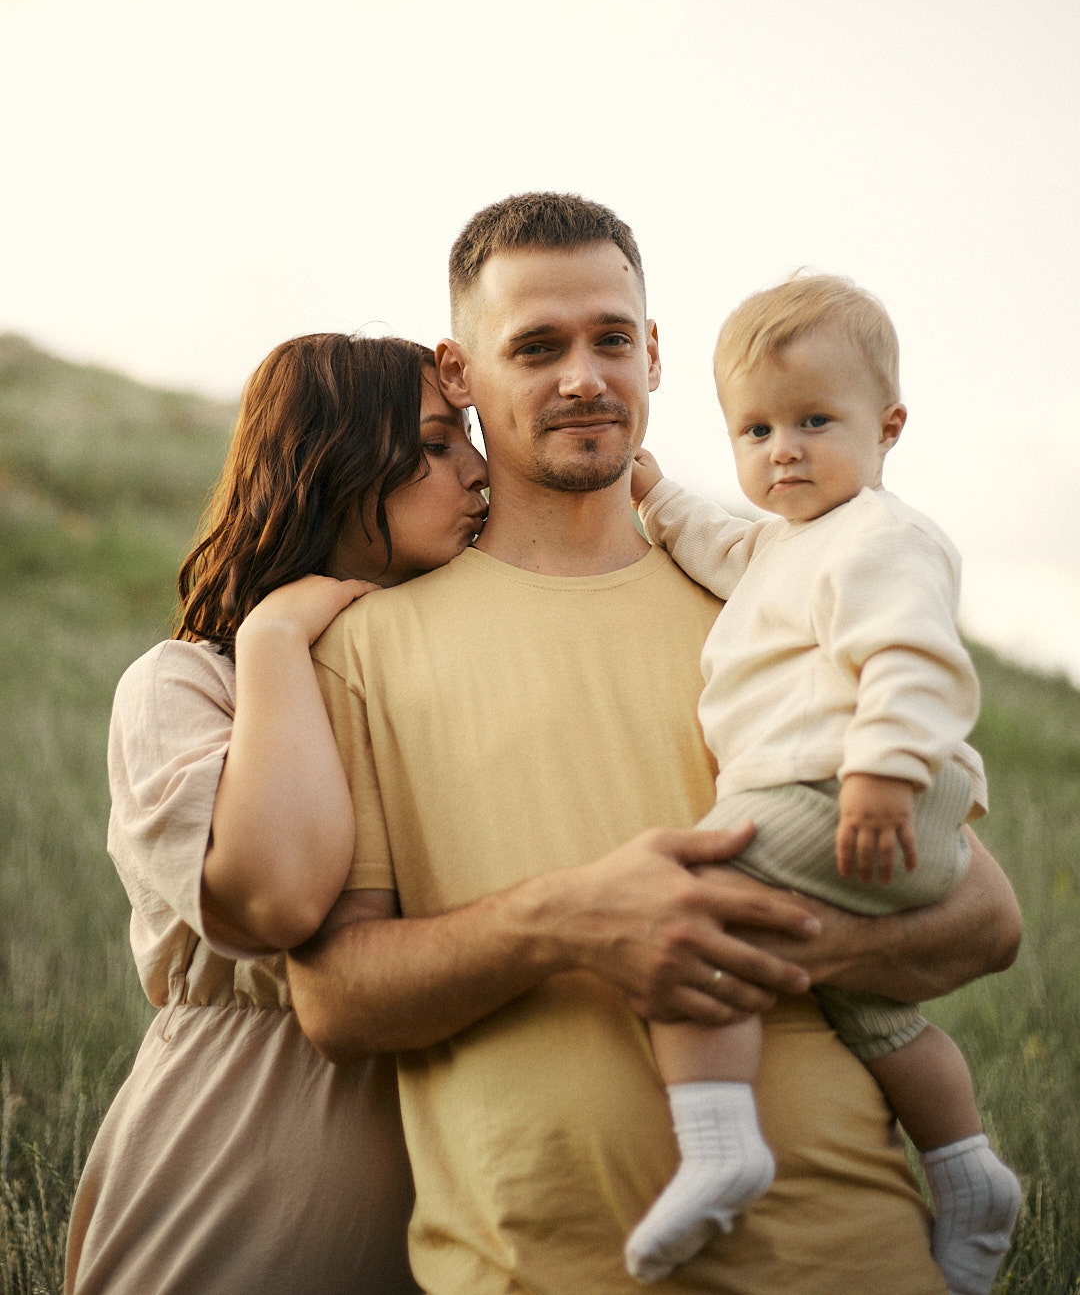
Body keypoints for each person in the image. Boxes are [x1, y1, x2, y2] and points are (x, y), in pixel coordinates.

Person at [289, 194, 1021, 1295]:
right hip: (538, 1270)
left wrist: (728, 943)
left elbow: (984, 919)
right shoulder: (363, 648)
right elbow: (337, 1001)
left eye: (612, 339)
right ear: (457, 370)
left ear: (656, 352)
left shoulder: (777, 590)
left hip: (852, 1255)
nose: (585, 376)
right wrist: (564, 923)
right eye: (537, 346)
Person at [65, 332, 490, 1295]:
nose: (475, 469)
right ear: (332, 468)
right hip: (238, 1163)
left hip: (457, 1194)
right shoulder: (185, 684)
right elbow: (282, 895)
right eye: (432, 444)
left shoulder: (447, 678)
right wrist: (271, 640)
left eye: (467, 434)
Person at [623, 274, 1021, 1290]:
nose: (782, 449)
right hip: (844, 796)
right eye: (753, 432)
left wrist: (881, 772)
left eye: (813, 420)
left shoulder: (882, 539)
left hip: (843, 789)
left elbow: (912, 660)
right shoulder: (787, 541)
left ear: (887, 427)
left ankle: (720, 1142)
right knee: (874, 1010)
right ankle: (968, 1170)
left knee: (693, 915)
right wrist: (658, 499)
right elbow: (722, 545)